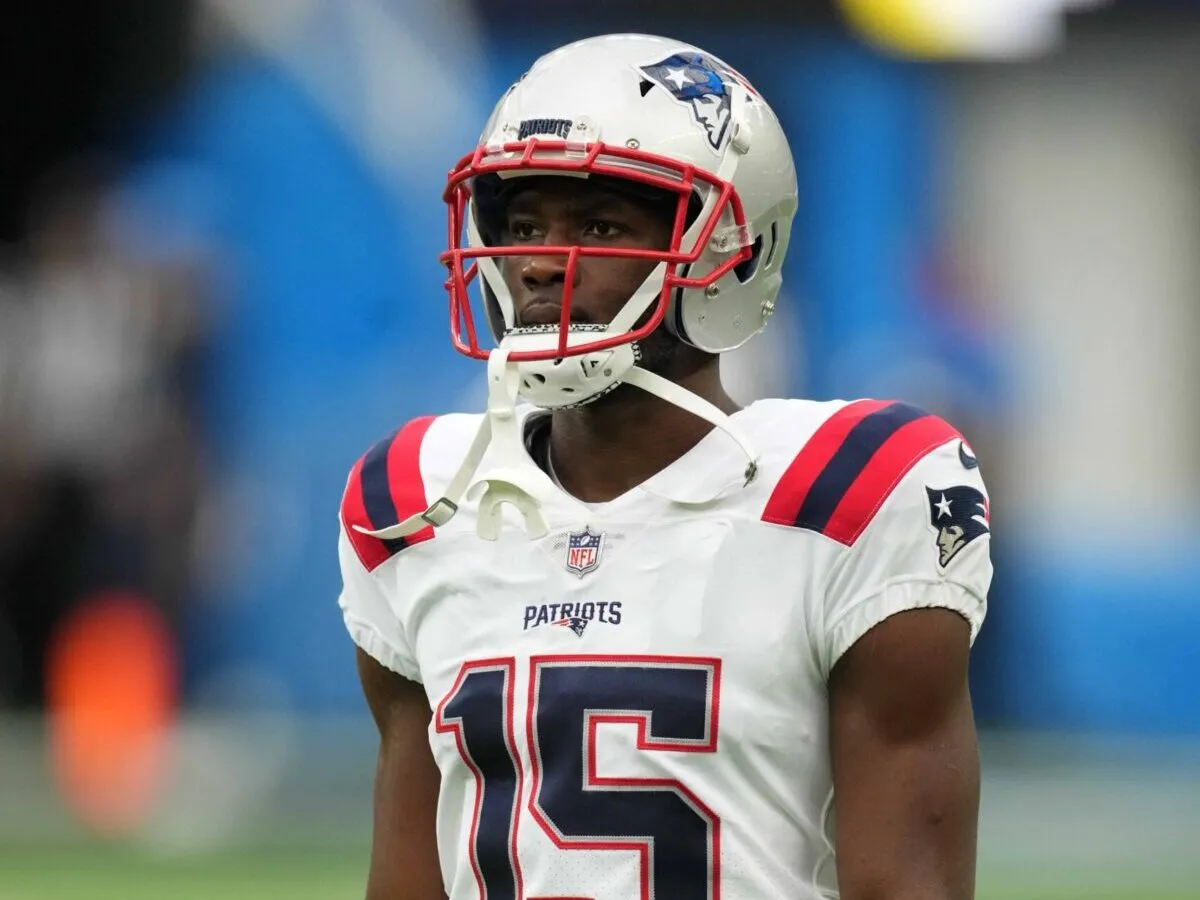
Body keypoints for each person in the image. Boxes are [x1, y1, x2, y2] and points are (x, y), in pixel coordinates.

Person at [336, 32, 991, 900]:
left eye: (599, 225)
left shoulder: (849, 494)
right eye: (523, 224)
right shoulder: (420, 501)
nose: (538, 261)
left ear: (731, 251)